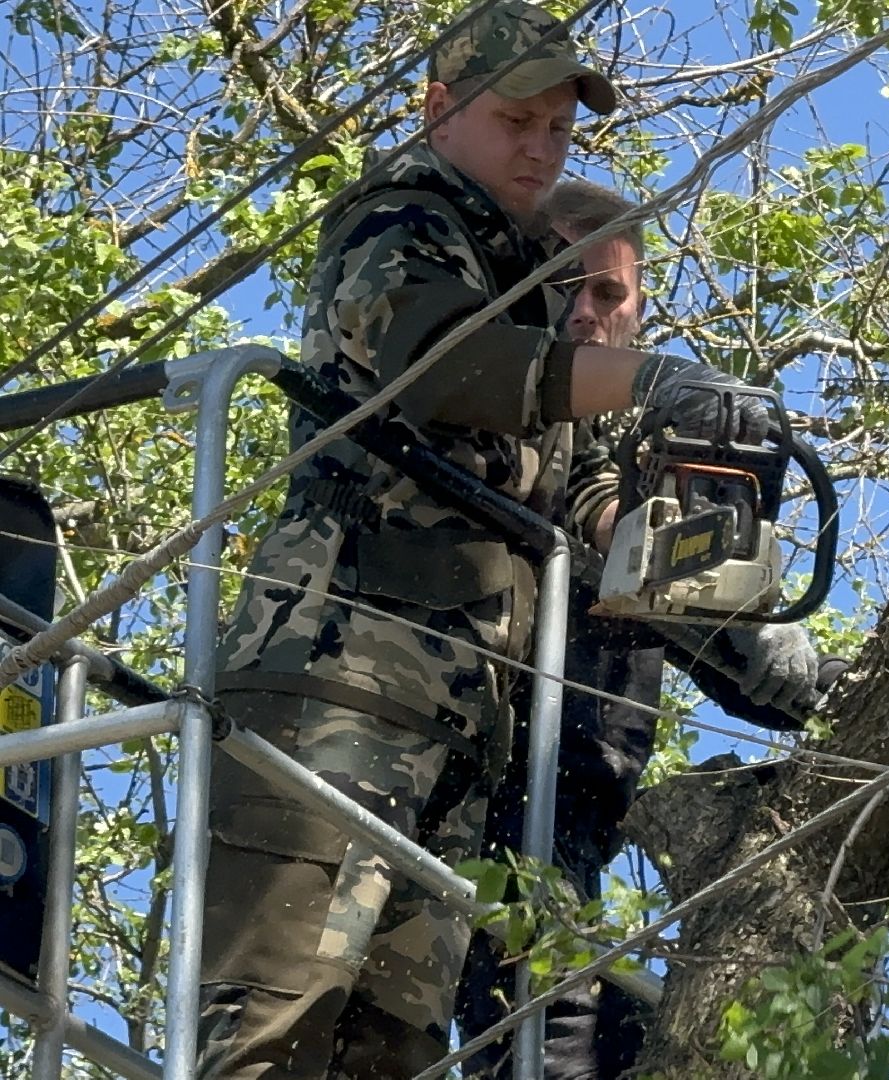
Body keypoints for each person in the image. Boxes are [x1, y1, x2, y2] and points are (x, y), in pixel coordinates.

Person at [194, 5, 777, 1077]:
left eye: (560, 129)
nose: (542, 148)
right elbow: (448, 363)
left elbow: (592, 507)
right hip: (337, 690)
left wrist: (715, 578)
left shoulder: (527, 276)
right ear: (440, 109)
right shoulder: (398, 218)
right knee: (273, 1029)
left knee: (391, 1050)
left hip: (465, 735)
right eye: (518, 120)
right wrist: (647, 377)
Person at [452, 178, 831, 1079]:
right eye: (561, 288)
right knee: (553, 1050)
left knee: (625, 1039)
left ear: (638, 307)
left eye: (606, 294)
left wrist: (765, 627)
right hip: (460, 799)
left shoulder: (640, 450)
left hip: (568, 835)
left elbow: (635, 538)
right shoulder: (469, 404)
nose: (584, 314)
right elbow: (588, 513)